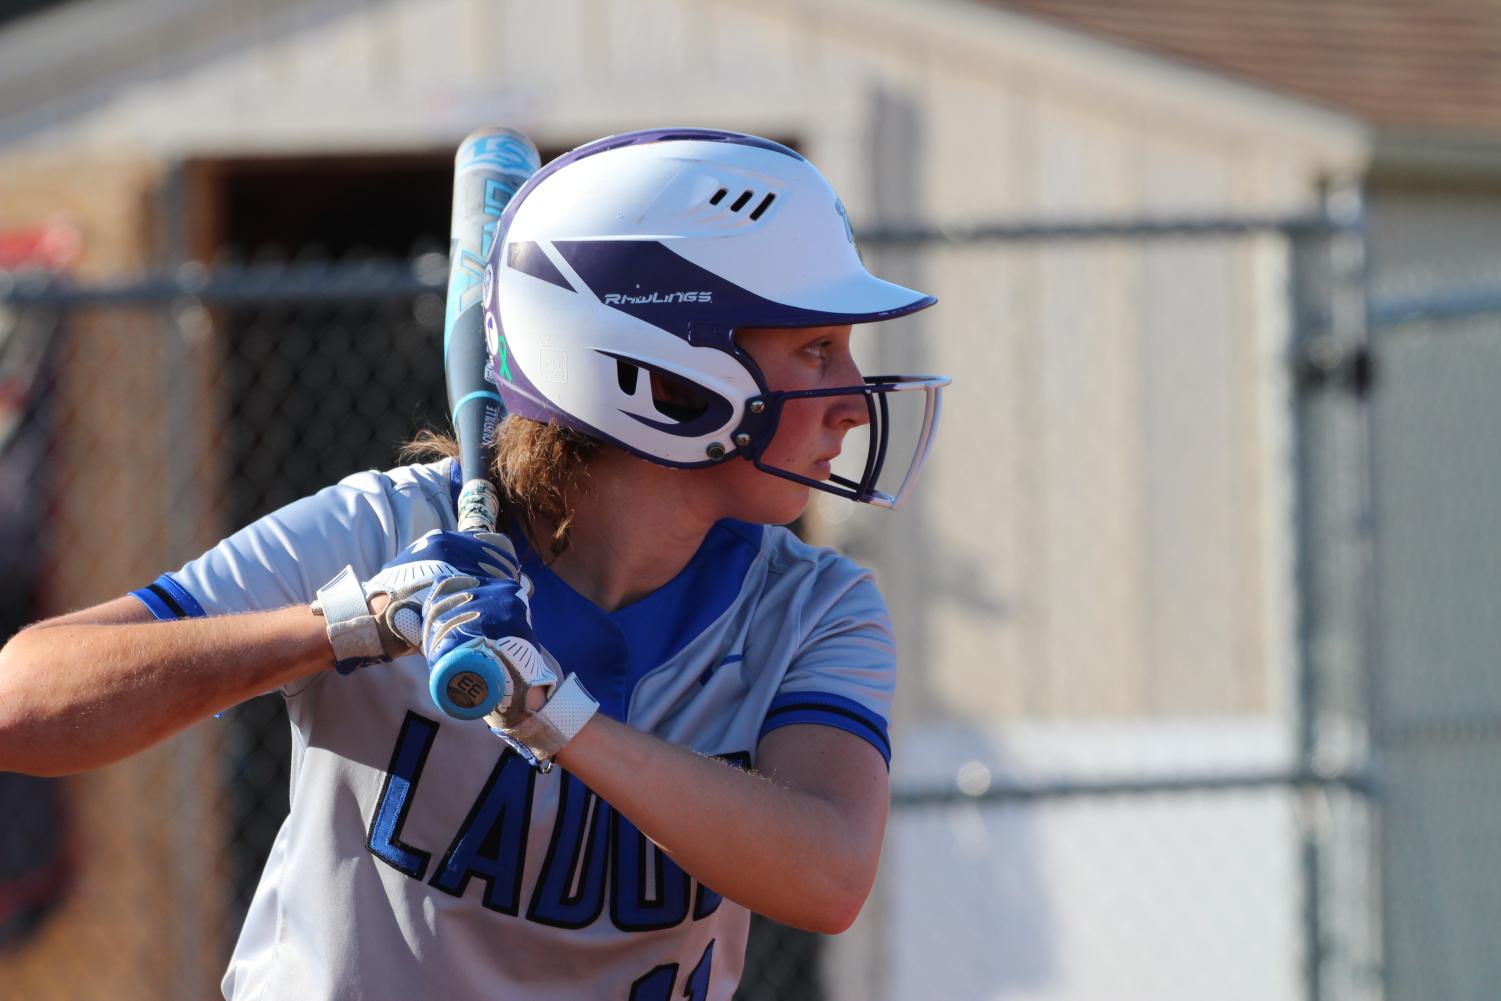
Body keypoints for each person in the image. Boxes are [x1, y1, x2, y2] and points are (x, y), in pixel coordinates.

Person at [0, 128, 949, 1000]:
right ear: (661, 378)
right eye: (815, 348)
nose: (851, 400)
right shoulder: (391, 529)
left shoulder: (814, 606)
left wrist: (560, 718)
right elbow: (22, 701)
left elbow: (826, 874)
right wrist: (343, 625)